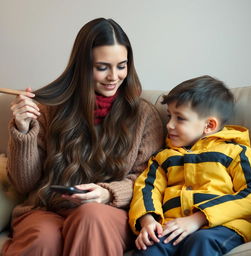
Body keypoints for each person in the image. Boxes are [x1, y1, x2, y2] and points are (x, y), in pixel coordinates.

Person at [2, 18, 164, 256]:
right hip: (48, 209)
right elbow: (24, 184)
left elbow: (147, 178)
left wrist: (108, 193)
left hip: (109, 212)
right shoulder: (49, 108)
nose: (113, 77)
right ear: (82, 66)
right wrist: (23, 130)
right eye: (102, 67)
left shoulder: (143, 115)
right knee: (43, 239)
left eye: (121, 65)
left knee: (90, 217)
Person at [129, 75, 251, 256]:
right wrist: (148, 221)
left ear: (209, 125)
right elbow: (146, 188)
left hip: (223, 227)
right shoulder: (163, 157)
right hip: (173, 227)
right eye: (169, 117)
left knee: (202, 241)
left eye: (179, 118)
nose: (169, 125)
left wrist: (198, 219)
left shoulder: (236, 152)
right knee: (149, 247)